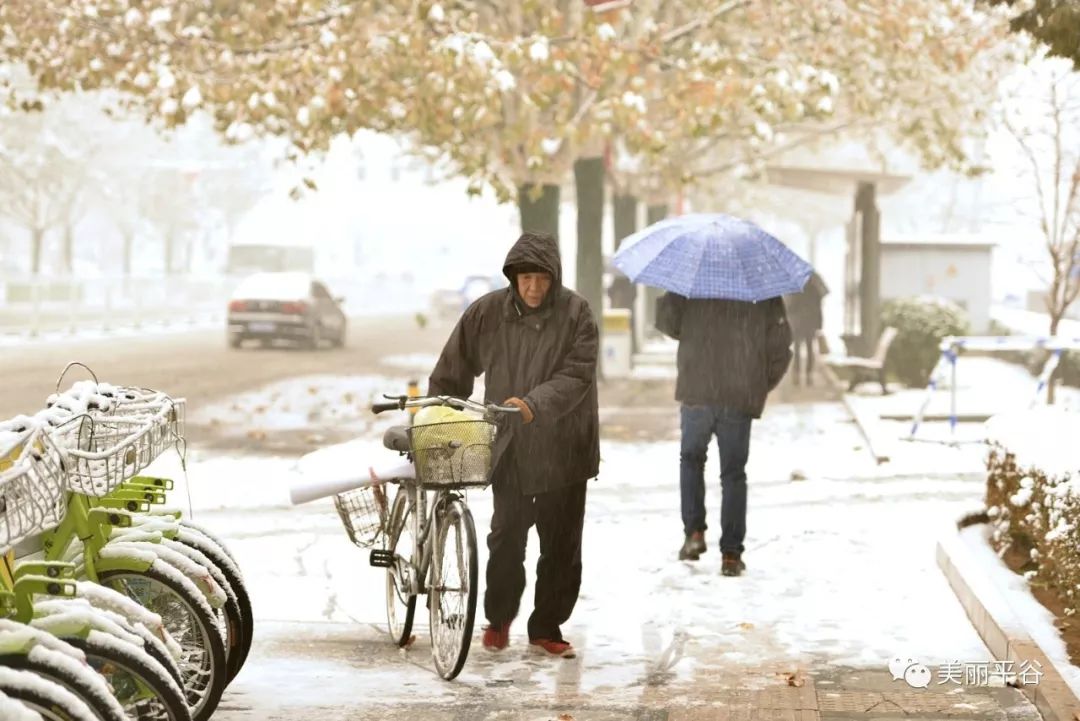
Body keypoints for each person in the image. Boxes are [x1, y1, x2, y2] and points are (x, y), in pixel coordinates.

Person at [427, 231, 600, 658]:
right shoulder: (488, 313)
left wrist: (532, 405)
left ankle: (547, 626)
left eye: (542, 278)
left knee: (560, 544)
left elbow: (577, 376)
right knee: (506, 536)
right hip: (511, 448)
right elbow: (454, 367)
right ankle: (500, 618)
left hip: (565, 447)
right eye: (526, 278)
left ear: (554, 277)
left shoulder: (577, 313)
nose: (534, 288)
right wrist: (436, 413)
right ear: (513, 277)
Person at [655, 291, 792, 575]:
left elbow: (669, 323)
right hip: (738, 395)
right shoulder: (760, 288)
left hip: (697, 389)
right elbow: (780, 347)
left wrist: (668, 296)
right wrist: (758, 384)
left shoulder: (693, 283)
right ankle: (730, 553)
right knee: (733, 474)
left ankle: (693, 534)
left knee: (691, 461)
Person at [782, 270, 829, 386]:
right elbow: (818, 309)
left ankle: (797, 375)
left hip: (798, 323)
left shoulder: (796, 288)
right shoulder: (815, 289)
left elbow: (790, 306)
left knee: (797, 349)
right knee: (810, 349)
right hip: (810, 323)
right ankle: (809, 376)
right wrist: (819, 324)